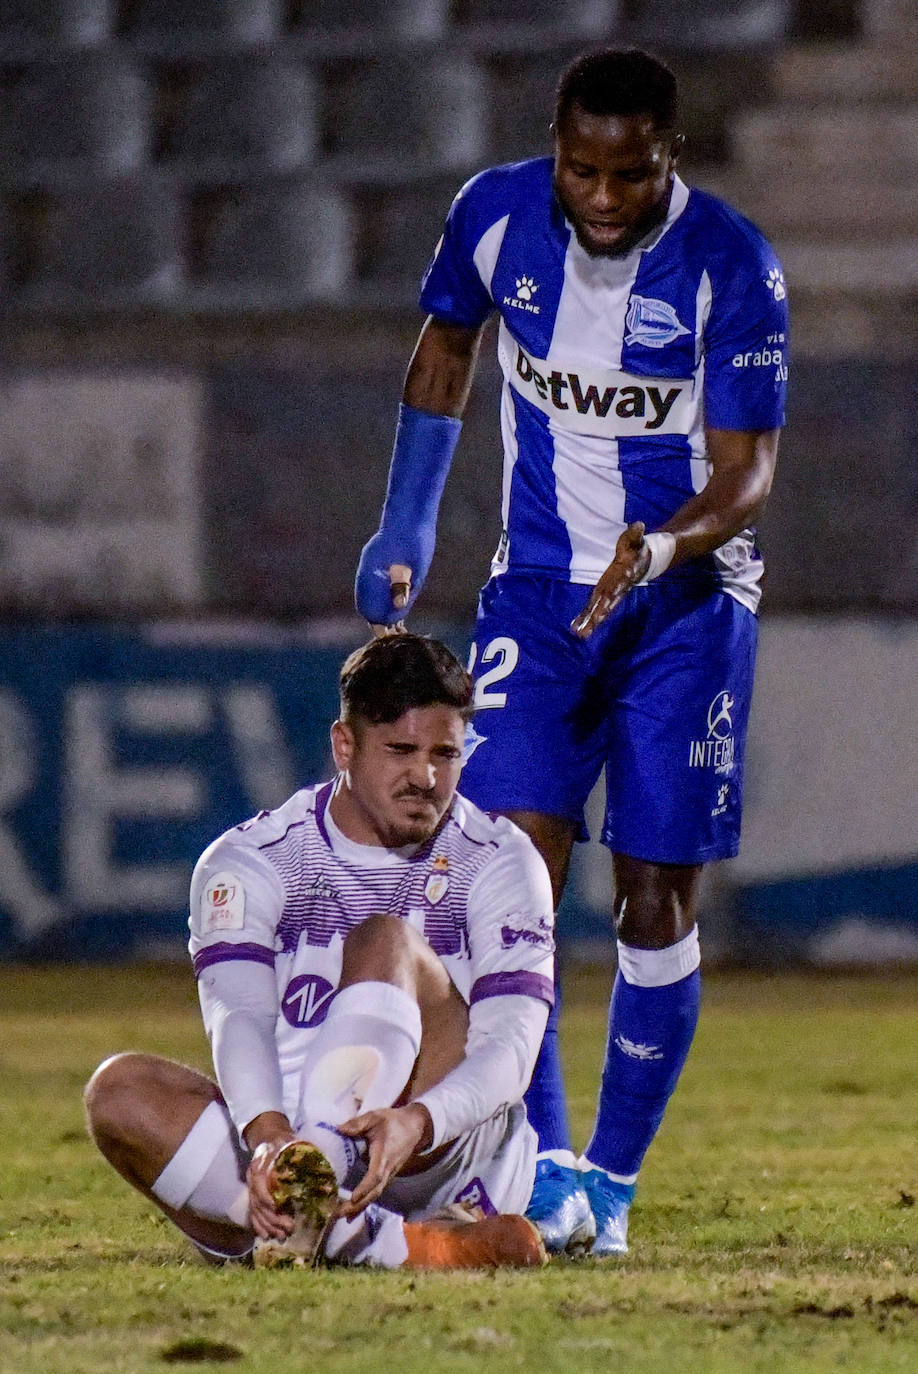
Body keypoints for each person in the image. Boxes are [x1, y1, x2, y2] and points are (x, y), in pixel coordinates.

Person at [355, 47, 788, 1257]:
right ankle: (543, 1170)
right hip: (536, 598)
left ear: (671, 161)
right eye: (582, 170)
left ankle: (615, 1180)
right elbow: (446, 352)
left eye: (630, 176)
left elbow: (748, 471)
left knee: (652, 904)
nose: (603, 198)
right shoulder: (493, 217)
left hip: (687, 601)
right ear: (553, 144)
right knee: (513, 884)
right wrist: (410, 517)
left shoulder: (732, 265)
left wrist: (662, 547)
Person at [84, 634, 554, 1271]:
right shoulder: (251, 861)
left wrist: (419, 1118)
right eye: (401, 751)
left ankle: (311, 1201)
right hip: (288, 1129)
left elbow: (513, 1044)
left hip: (434, 1143)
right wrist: (270, 1138)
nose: (427, 776)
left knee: (385, 940)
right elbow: (240, 1017)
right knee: (117, 1092)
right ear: (344, 746)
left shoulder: (499, 858)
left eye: (446, 753)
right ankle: (383, 1243)